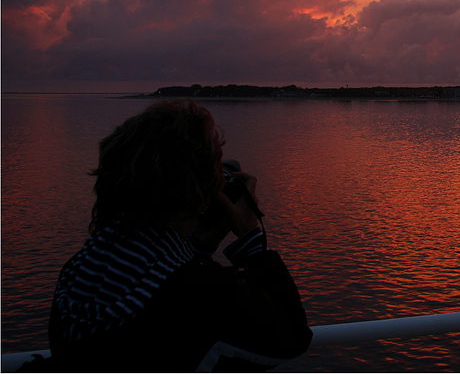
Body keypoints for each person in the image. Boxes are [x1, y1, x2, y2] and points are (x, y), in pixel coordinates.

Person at [40, 100, 312, 371]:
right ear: (202, 189)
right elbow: (292, 336)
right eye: (217, 172)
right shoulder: (200, 294)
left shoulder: (80, 271)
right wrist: (250, 235)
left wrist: (198, 246)